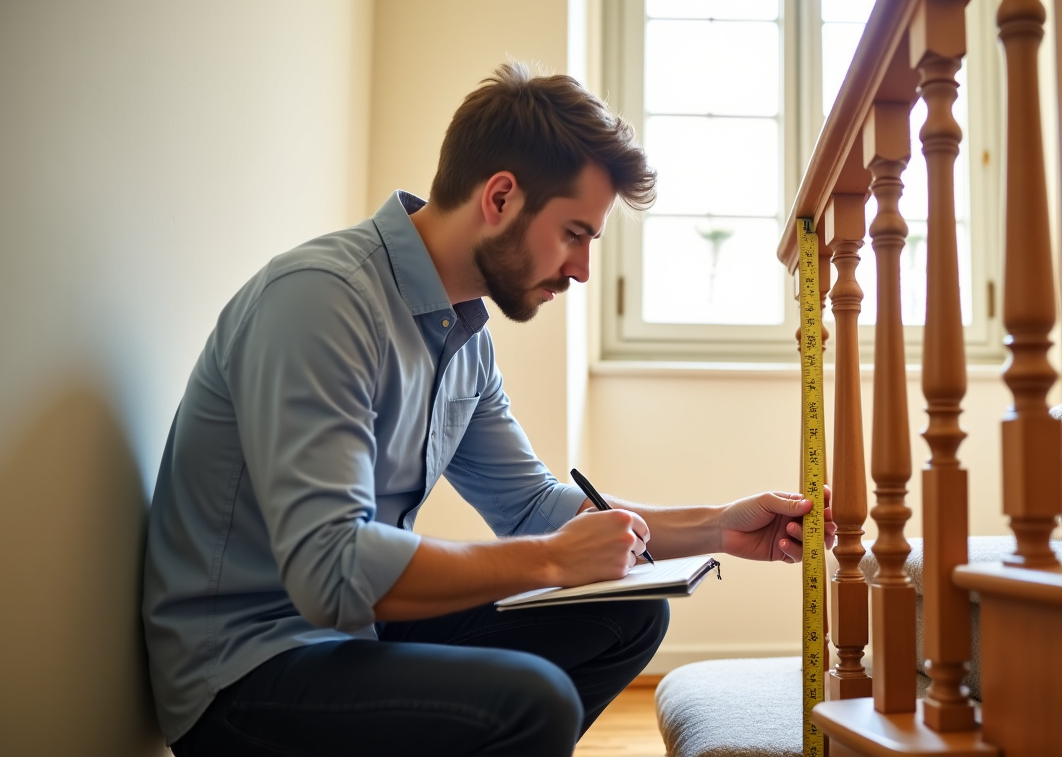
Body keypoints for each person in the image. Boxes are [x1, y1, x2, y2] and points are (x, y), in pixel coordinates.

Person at [143, 62, 835, 757]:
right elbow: (332, 570)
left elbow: (534, 507)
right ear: (500, 197)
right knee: (532, 704)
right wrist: (550, 562)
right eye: (575, 233)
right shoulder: (323, 301)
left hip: (351, 634)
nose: (583, 270)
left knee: (630, 610)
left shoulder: (462, 335)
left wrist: (719, 528)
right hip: (241, 676)